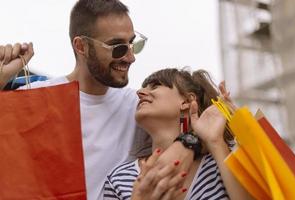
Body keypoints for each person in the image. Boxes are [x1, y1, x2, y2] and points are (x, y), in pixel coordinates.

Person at [0, 0, 197, 199]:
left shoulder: (138, 108)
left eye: (132, 44)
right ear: (81, 46)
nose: (130, 57)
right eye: (118, 47)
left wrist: (186, 144)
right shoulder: (33, 99)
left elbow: (202, 124)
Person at [103, 68, 252, 200]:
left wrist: (216, 142)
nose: (140, 92)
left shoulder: (224, 157)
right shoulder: (119, 179)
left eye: (155, 86)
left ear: (187, 101)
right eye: (143, 88)